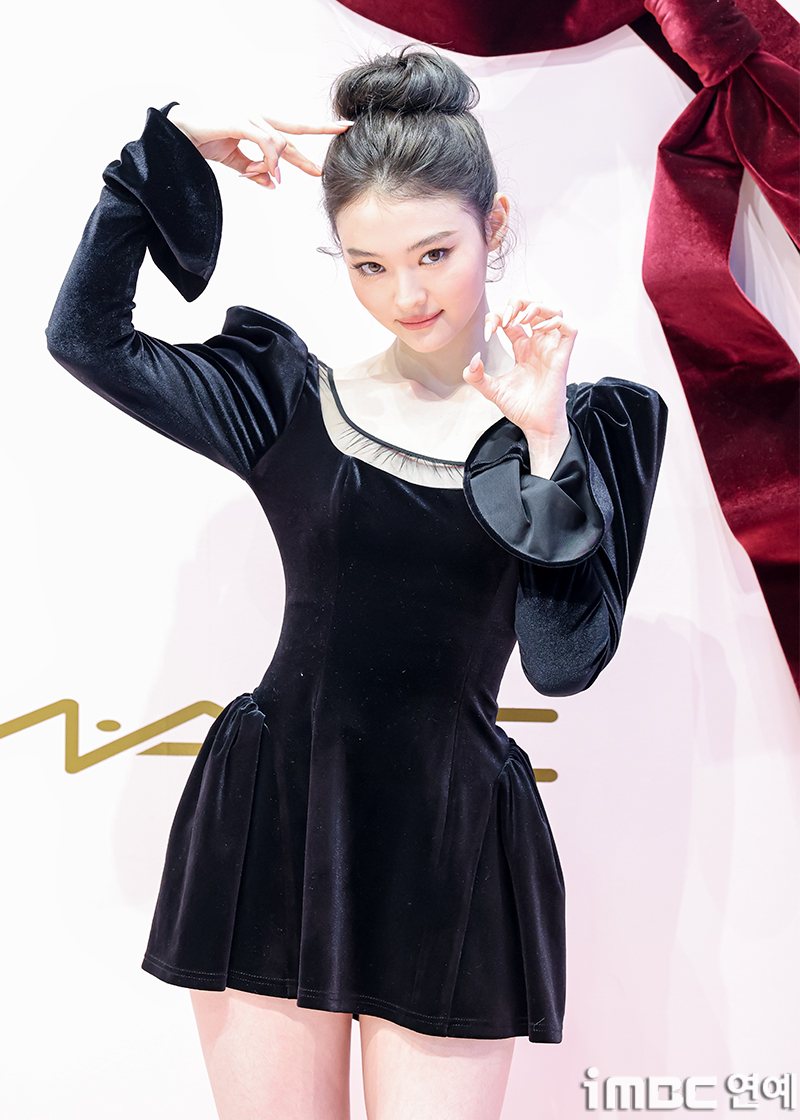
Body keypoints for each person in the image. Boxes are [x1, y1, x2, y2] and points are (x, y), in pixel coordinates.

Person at [46, 46, 667, 1120]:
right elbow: (86, 338)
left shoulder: (590, 429)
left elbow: (564, 662)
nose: (406, 295)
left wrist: (543, 446)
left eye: (434, 253)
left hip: (452, 838)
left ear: (494, 224)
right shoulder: (285, 399)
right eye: (368, 265)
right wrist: (171, 144)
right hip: (274, 814)